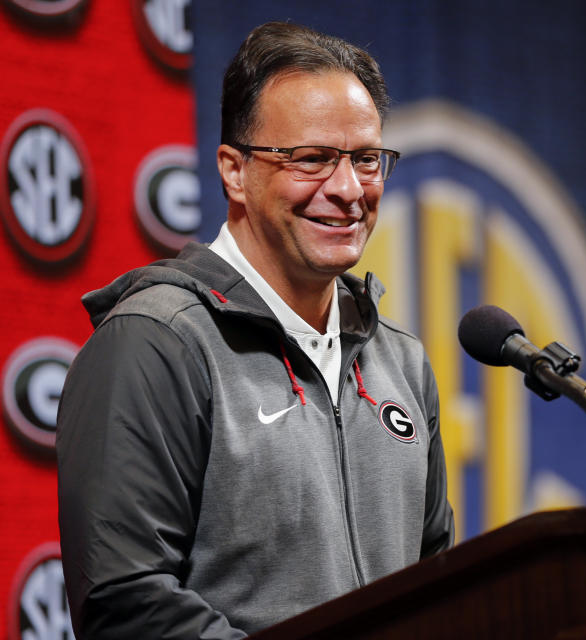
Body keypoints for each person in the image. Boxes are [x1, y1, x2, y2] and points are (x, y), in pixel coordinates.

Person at [56, 21, 454, 638]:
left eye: (367, 160)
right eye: (313, 159)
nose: (348, 190)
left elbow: (439, 588)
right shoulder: (155, 342)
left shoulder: (401, 363)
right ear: (234, 172)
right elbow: (125, 603)